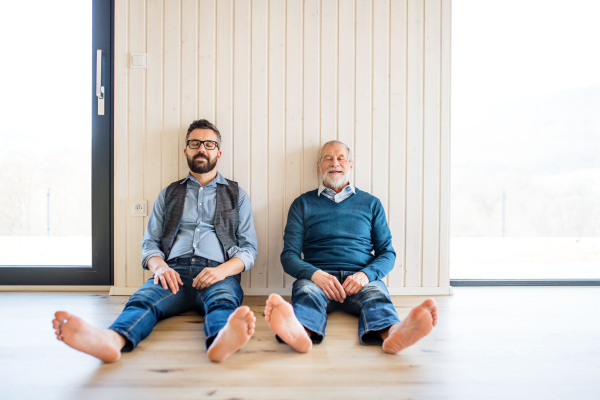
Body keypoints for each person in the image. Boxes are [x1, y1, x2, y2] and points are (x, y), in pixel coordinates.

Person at [52, 119, 258, 363]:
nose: (202, 148)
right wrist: (161, 267)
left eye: (209, 144)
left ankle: (221, 340)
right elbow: (150, 243)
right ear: (186, 151)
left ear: (218, 153)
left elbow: (249, 249)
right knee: (143, 300)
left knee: (223, 303)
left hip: (218, 272)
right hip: (173, 271)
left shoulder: (237, 195)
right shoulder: (169, 193)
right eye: (195, 143)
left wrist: (222, 271)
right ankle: (112, 340)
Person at [264, 140, 438, 354]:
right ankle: (300, 333)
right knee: (306, 294)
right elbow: (289, 255)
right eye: (327, 158)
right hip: (318, 278)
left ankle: (395, 334)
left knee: (376, 296)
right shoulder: (302, 204)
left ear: (350, 166)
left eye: (340, 158)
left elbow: (387, 253)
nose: (334, 163)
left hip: (360, 278)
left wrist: (365, 275)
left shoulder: (371, 203)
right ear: (319, 166)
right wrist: (315, 275)